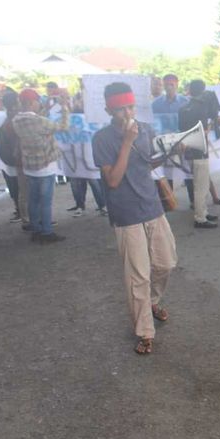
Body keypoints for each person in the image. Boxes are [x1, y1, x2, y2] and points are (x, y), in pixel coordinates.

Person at [92, 82, 178, 355]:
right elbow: (114, 179)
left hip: (152, 206)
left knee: (166, 263)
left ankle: (152, 302)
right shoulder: (102, 139)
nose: (127, 113)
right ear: (108, 110)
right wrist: (127, 142)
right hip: (126, 213)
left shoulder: (146, 129)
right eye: (120, 109)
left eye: (130, 107)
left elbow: (149, 163)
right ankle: (144, 332)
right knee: (138, 275)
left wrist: (171, 152)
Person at [12, 88, 70, 243]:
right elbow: (63, 126)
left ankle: (36, 230)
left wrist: (47, 108)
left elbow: (38, 122)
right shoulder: (39, 121)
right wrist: (64, 108)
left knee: (33, 200)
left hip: (29, 166)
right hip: (45, 166)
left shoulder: (16, 120)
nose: (39, 104)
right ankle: (47, 232)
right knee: (45, 201)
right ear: (31, 103)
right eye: (37, 101)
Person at [178, 79, 219, 228]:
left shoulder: (183, 108)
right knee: (201, 186)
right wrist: (212, 125)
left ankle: (203, 211)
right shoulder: (202, 108)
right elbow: (203, 131)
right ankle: (200, 217)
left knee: (200, 183)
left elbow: (182, 130)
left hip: (189, 149)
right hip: (200, 150)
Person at [0, 89, 29, 225]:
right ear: (15, 103)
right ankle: (28, 220)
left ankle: (26, 218)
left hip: (15, 159)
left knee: (21, 191)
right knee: (25, 191)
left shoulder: (6, 119)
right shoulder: (15, 119)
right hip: (21, 158)